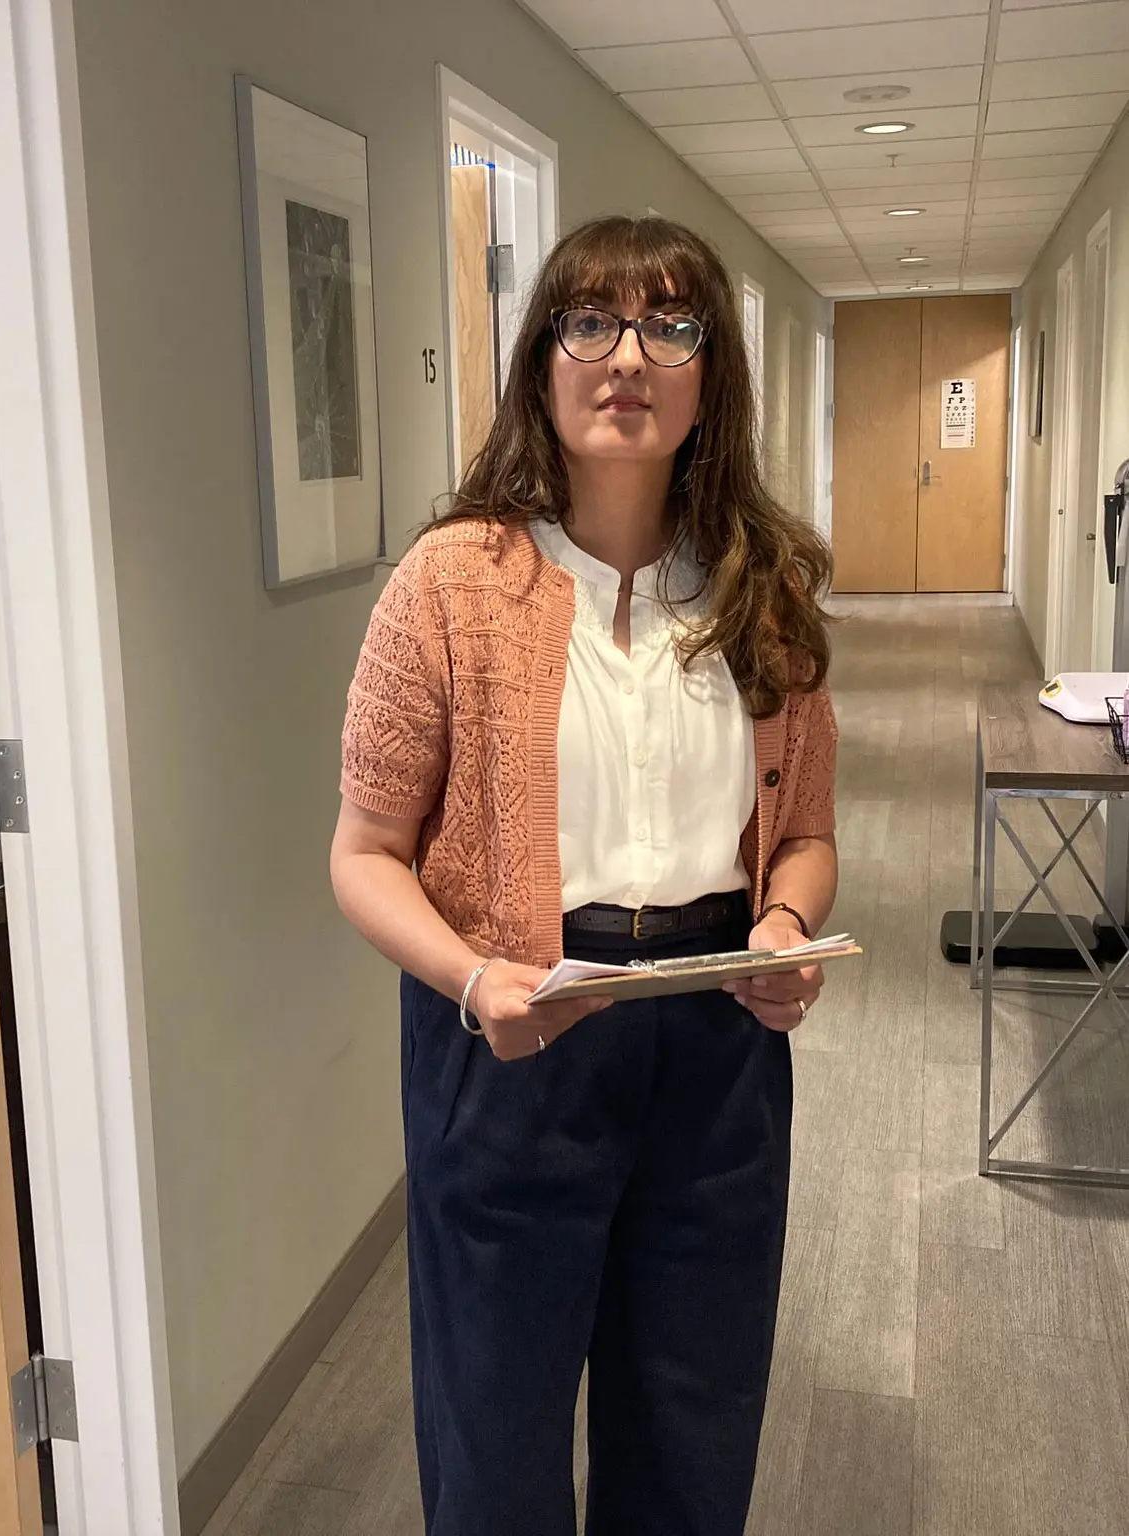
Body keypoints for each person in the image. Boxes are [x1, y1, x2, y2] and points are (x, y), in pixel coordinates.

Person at [331, 215, 839, 1536]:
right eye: (591, 322)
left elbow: (804, 835)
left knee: (694, 1420)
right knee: (492, 1438)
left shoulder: (762, 593)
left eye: (671, 325)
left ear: (712, 373)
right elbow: (365, 857)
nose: (629, 356)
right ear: (541, 361)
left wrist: (785, 922)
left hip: (715, 1041)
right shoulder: (449, 582)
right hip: (513, 1043)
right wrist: (471, 974)